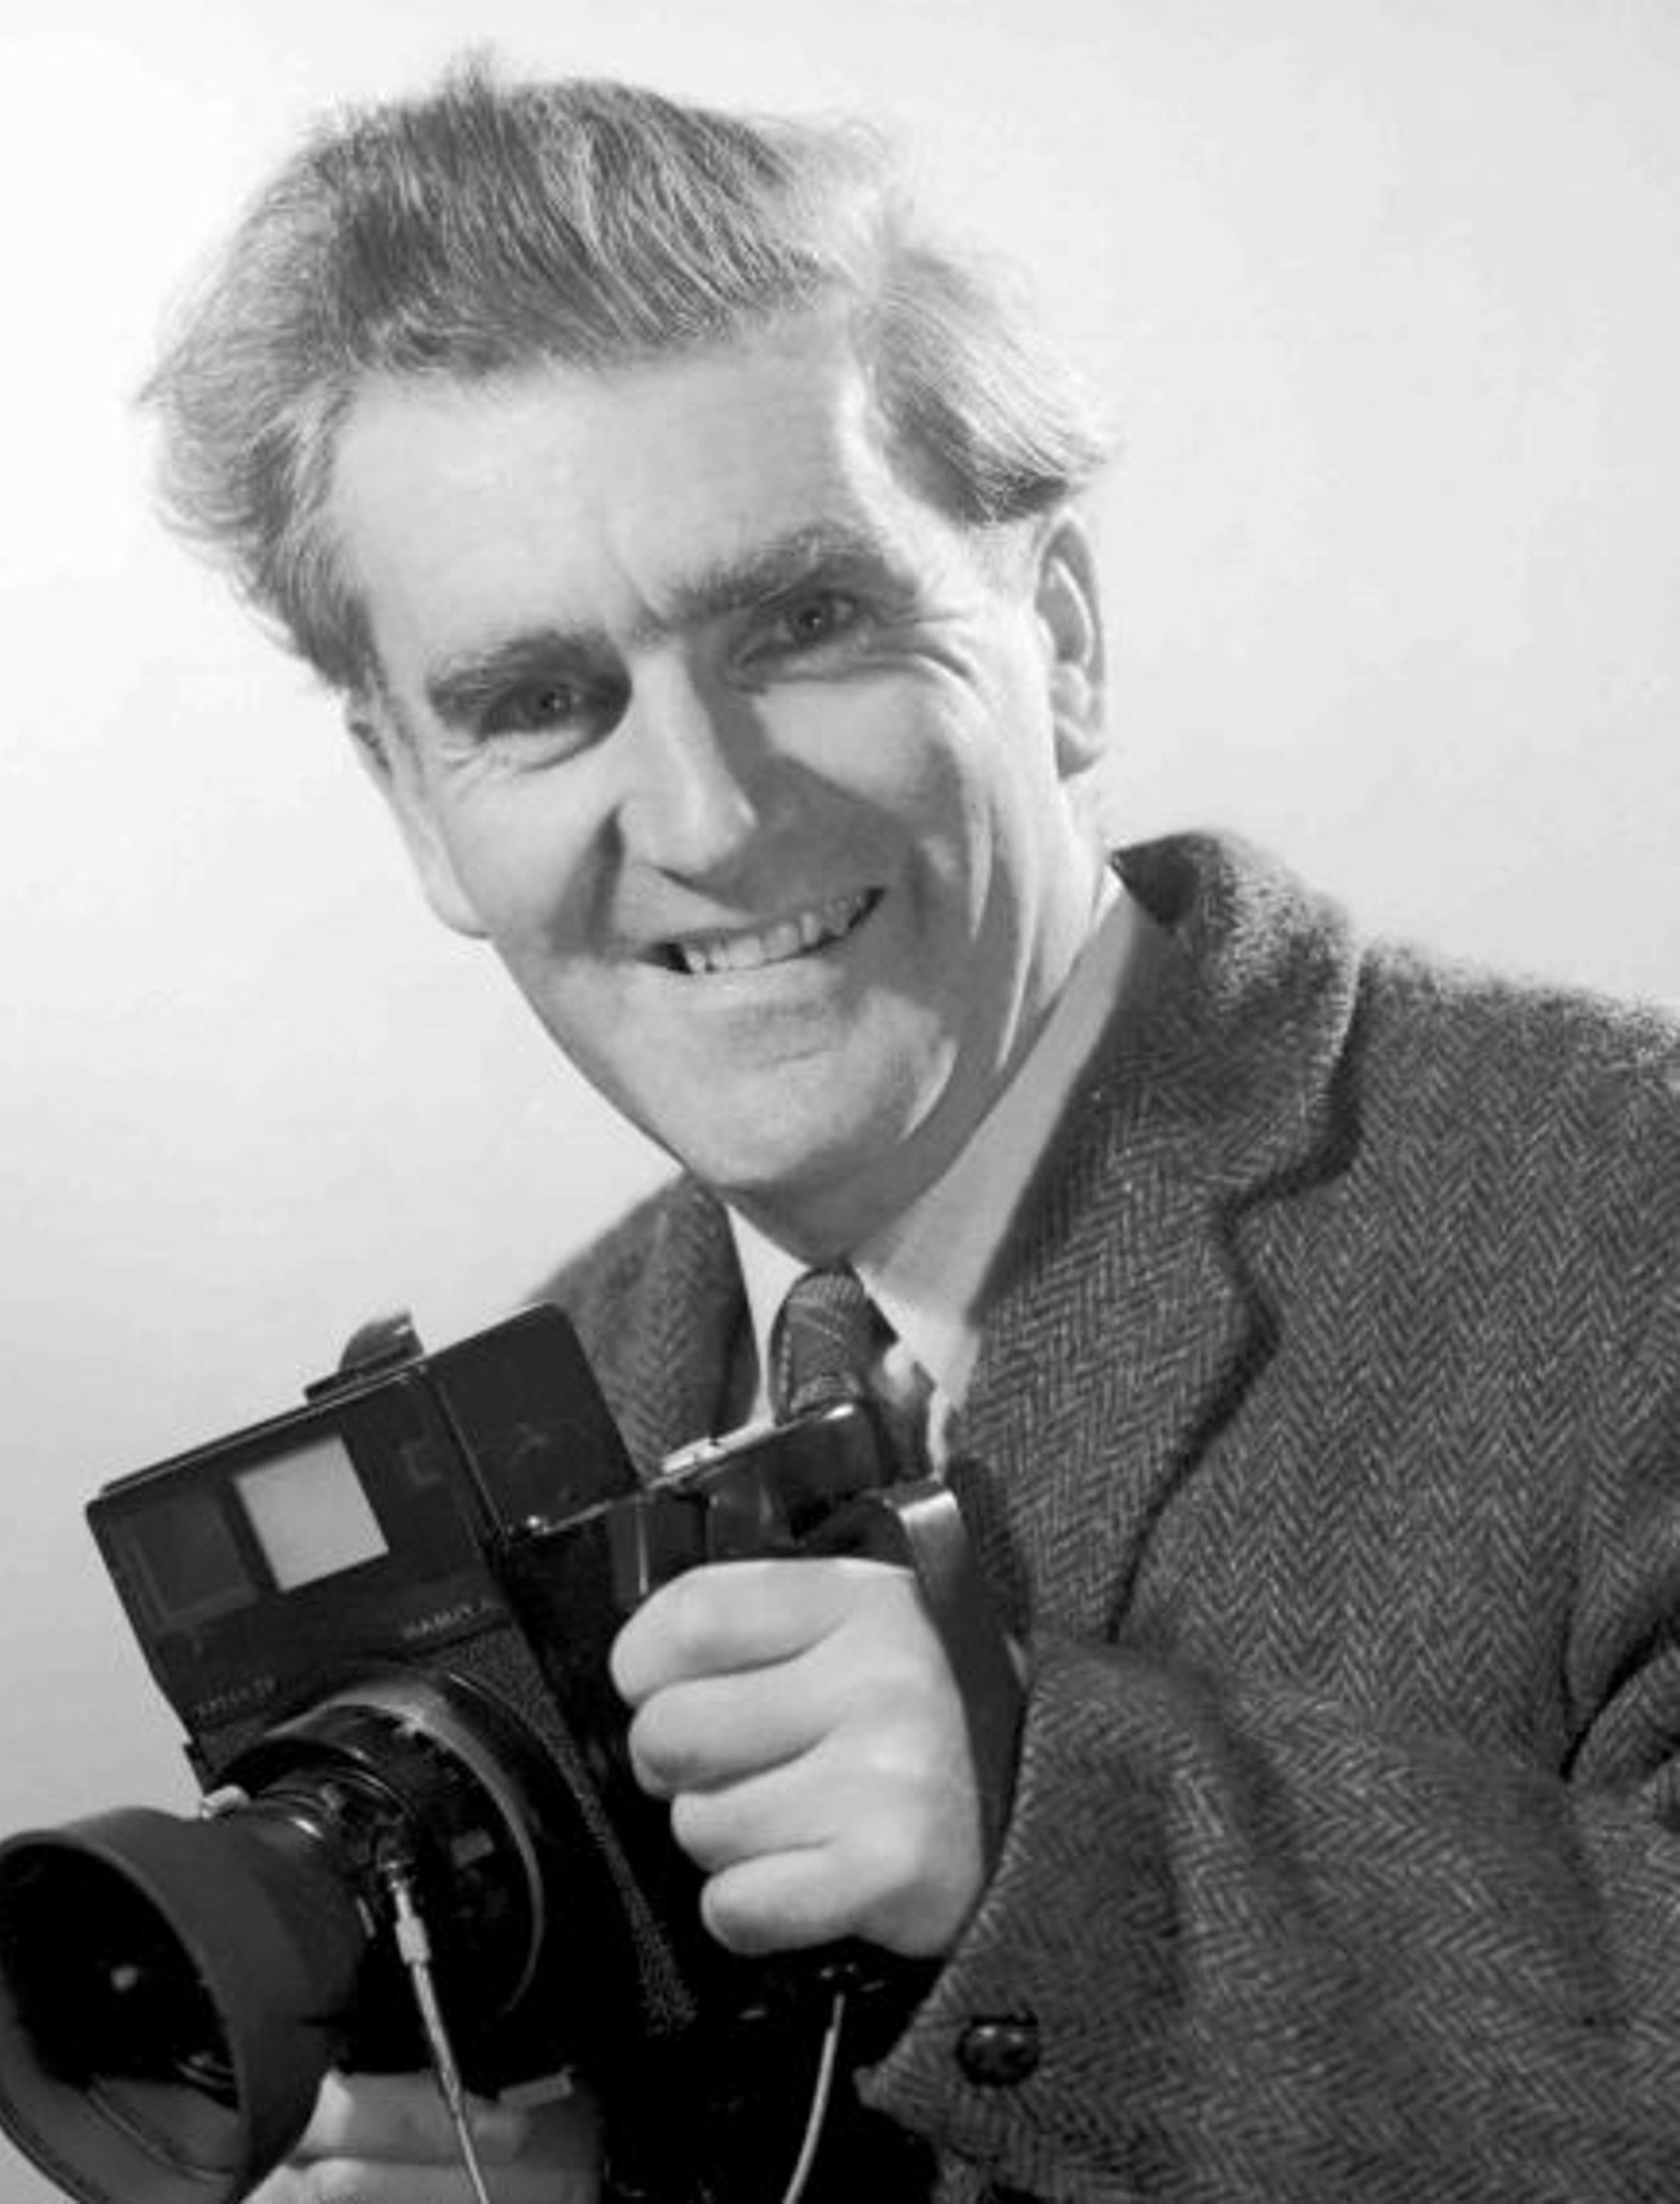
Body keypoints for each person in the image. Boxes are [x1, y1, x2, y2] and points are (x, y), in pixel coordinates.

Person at [139, 54, 1680, 2204]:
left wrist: (1066, 1842)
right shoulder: (554, 1412)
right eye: (537, 703)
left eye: (804, 623)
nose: (703, 816)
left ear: (1058, 639)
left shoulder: (1630, 1220)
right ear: (415, 802)